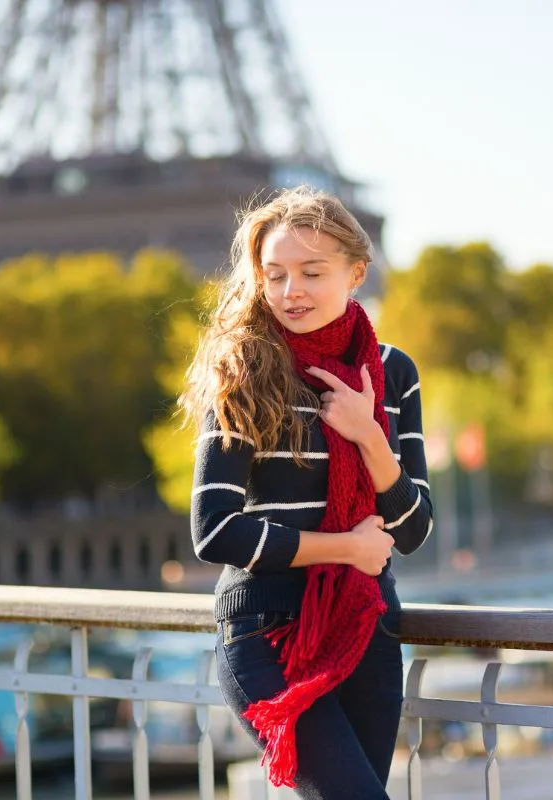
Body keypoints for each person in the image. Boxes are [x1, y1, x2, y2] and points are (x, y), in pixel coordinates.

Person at [179, 186, 434, 798]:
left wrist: (368, 435)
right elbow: (214, 530)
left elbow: (415, 529)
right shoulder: (246, 367)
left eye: (311, 272)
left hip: (367, 626)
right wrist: (345, 547)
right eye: (276, 275)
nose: (291, 290)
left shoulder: (393, 371)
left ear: (356, 273)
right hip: (265, 633)